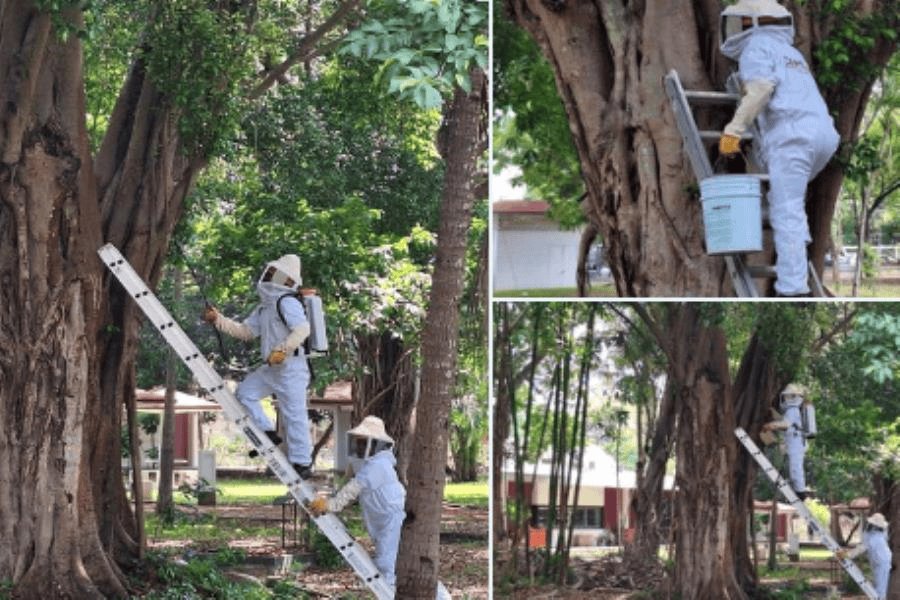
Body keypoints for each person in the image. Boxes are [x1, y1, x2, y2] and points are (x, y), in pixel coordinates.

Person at [718, 0, 840, 296]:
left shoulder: (755, 49)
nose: (740, 28)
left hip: (792, 137)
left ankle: (792, 290)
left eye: (744, 22)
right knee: (788, 200)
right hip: (825, 136)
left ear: (755, 23)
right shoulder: (792, 53)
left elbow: (760, 91)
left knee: (786, 209)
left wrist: (733, 131)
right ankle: (798, 247)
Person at [203, 254, 314, 479]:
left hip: (292, 369)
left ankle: (302, 464)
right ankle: (267, 432)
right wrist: (218, 319)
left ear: (288, 280)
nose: (272, 277)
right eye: (272, 272)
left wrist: (282, 350)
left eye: (278, 275)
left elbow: (303, 330)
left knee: (294, 416)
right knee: (245, 393)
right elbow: (246, 332)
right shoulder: (265, 307)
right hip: (271, 369)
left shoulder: (288, 302)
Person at [308, 416, 406, 587]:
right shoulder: (368, 463)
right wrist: (331, 497)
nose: (359, 446)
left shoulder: (379, 465)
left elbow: (353, 488)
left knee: (385, 560)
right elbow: (348, 481)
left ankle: (388, 590)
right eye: (358, 442)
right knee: (385, 553)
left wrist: (331, 505)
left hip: (391, 516)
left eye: (363, 443)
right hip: (379, 517)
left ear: (374, 443)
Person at [762, 383, 813, 499]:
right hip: (795, 442)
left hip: (796, 442)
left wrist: (769, 425)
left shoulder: (793, 410)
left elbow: (785, 424)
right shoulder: (793, 411)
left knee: (795, 468)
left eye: (788, 396)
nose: (786, 399)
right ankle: (799, 490)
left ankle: (800, 493)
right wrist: (773, 415)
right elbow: (784, 421)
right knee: (794, 467)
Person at [836, 513, 892, 600]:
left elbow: (861, 548)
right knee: (879, 584)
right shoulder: (876, 534)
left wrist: (847, 554)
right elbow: (863, 545)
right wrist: (847, 553)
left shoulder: (875, 537)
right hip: (879, 561)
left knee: (881, 588)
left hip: (883, 563)